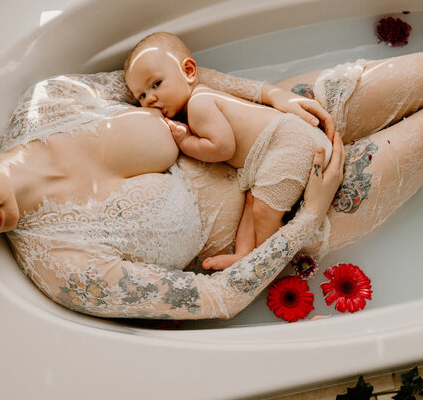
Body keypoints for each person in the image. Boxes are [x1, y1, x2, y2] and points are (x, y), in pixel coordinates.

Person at [0, 51, 423, 320]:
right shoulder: (61, 266)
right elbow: (215, 297)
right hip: (301, 204)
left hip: (266, 123)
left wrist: (269, 91)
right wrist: (310, 216)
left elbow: (170, 77)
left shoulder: (50, 101)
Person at [124, 32, 332, 270]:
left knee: (263, 211)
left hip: (288, 143)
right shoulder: (202, 97)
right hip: (269, 153)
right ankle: (243, 253)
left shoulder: (198, 104)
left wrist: (186, 142)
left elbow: (222, 148)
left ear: (189, 71)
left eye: (156, 84)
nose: (150, 98)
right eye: (141, 96)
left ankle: (265, 261)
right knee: (252, 203)